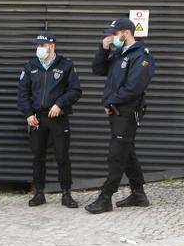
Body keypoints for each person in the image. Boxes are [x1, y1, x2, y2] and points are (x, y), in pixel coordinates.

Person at [85, 18, 155, 214]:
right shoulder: (119, 54)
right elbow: (98, 69)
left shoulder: (141, 56)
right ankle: (139, 193)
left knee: (116, 154)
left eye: (115, 34)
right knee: (127, 151)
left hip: (127, 111)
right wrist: (103, 49)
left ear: (126, 32)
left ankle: (105, 197)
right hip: (116, 111)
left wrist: (111, 101)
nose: (112, 37)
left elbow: (134, 87)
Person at [17, 32, 82, 208]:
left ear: (52, 46)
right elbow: (22, 93)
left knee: (62, 156)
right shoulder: (30, 66)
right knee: (38, 156)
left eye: (42, 46)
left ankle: (66, 194)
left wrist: (60, 104)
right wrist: (29, 114)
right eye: (37, 46)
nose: (39, 49)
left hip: (58, 118)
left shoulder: (66, 65)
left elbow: (75, 90)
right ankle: (39, 193)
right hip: (37, 119)